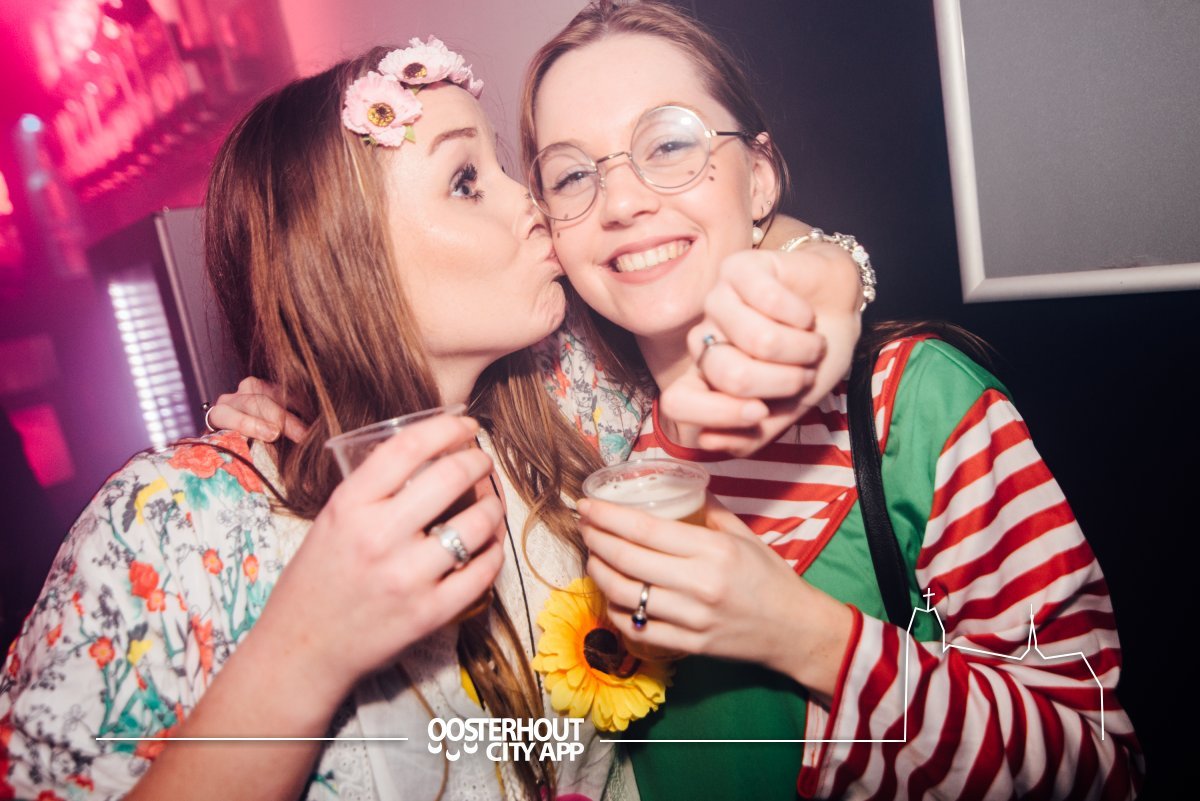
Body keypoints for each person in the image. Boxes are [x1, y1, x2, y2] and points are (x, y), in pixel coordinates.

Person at [516, 2, 1143, 800]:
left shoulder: (914, 402)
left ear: (759, 178)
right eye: (573, 174)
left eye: (669, 144)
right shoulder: (592, 452)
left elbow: (1099, 764)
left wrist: (804, 636)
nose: (621, 202)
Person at [0, 39, 644, 801]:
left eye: (498, 166)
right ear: (345, 258)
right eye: (466, 181)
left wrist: (799, 273)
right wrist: (308, 646)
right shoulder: (175, 524)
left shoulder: (572, 398)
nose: (529, 202)